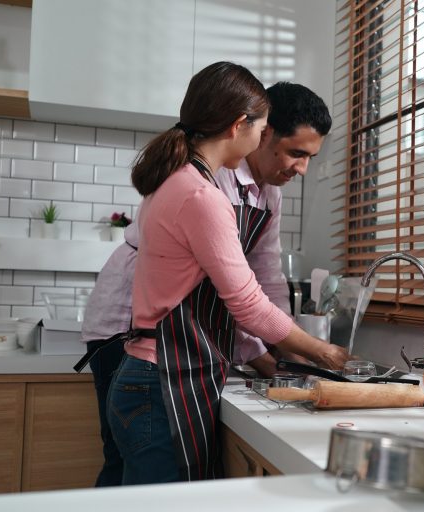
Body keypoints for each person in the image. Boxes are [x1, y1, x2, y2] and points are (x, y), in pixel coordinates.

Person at [100, 61, 349, 485]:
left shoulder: (178, 180)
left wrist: (279, 354)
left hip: (154, 369)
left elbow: (262, 277)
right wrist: (323, 352)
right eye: (263, 127)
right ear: (242, 126)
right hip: (161, 373)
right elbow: (248, 302)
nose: (262, 137)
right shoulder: (204, 194)